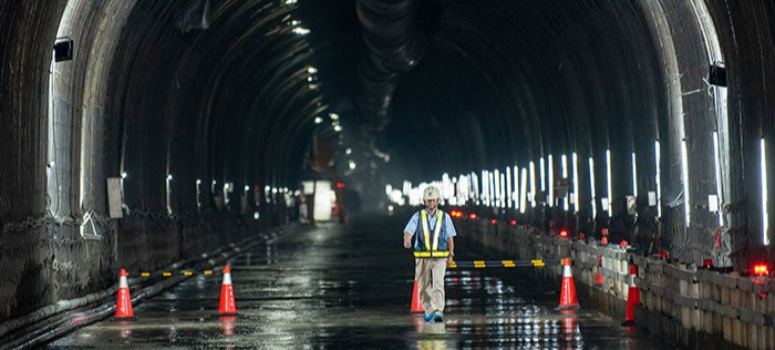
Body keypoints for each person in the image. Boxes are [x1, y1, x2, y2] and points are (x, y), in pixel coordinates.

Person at [403, 185, 457, 323]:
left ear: (438, 201)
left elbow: (450, 238)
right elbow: (409, 230)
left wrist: (451, 255)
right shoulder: (418, 216)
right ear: (424, 201)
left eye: (433, 200)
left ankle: (438, 310)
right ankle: (428, 309)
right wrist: (407, 240)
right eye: (428, 201)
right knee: (424, 284)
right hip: (422, 258)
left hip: (440, 257)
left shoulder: (445, 217)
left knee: (438, 283)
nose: (431, 203)